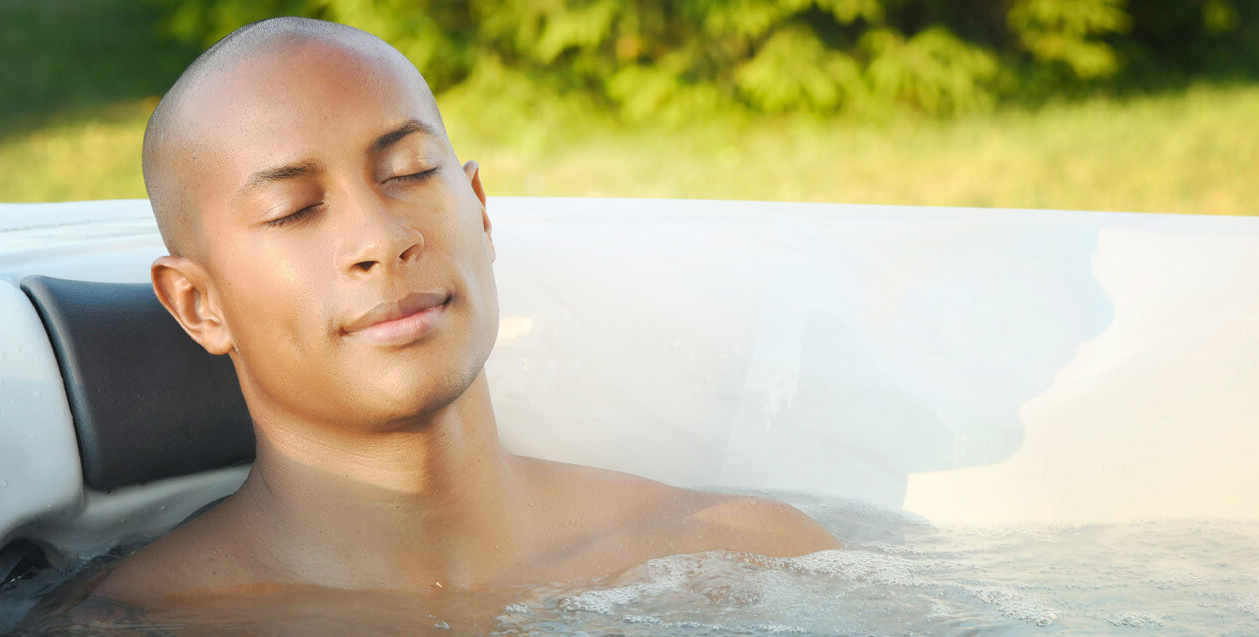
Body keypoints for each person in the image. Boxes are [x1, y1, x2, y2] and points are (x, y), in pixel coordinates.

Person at [42, 15, 838, 629]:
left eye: (410, 172)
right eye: (294, 210)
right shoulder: (138, 625)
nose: (383, 240)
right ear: (198, 304)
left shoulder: (745, 552)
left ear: (481, 212)